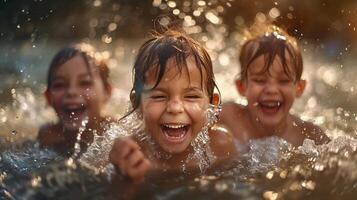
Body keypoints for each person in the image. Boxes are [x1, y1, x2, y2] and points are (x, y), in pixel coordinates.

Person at [109, 29, 236, 183]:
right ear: (137, 103)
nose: (175, 108)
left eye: (191, 96)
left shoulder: (219, 146)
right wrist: (126, 181)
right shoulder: (132, 155)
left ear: (212, 103)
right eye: (159, 96)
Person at [219, 24, 330, 147]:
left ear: (299, 87)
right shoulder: (227, 118)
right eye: (260, 80)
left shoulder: (308, 136)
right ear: (242, 87)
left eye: (284, 81)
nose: (271, 90)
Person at [38, 43, 113, 156]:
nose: (71, 92)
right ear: (48, 98)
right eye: (59, 85)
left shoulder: (115, 132)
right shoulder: (47, 137)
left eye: (85, 82)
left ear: (107, 92)